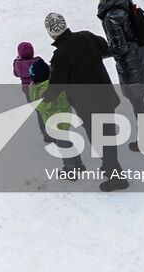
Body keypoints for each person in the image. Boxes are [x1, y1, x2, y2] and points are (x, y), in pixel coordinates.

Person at [69, 0, 144, 147]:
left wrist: (95, 55)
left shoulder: (111, 19)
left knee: (138, 104)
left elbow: (119, 48)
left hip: (132, 66)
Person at [42, 12, 127, 191]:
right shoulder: (86, 36)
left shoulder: (60, 56)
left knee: (100, 140)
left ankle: (117, 178)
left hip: (88, 105)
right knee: (107, 135)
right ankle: (109, 165)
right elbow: (105, 47)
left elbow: (56, 85)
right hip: (105, 96)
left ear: (51, 33)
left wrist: (46, 97)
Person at [27, 57, 71, 142]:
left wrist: (32, 88)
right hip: (60, 118)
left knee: (63, 142)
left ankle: (72, 154)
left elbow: (39, 106)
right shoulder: (51, 84)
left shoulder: (45, 90)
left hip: (58, 122)